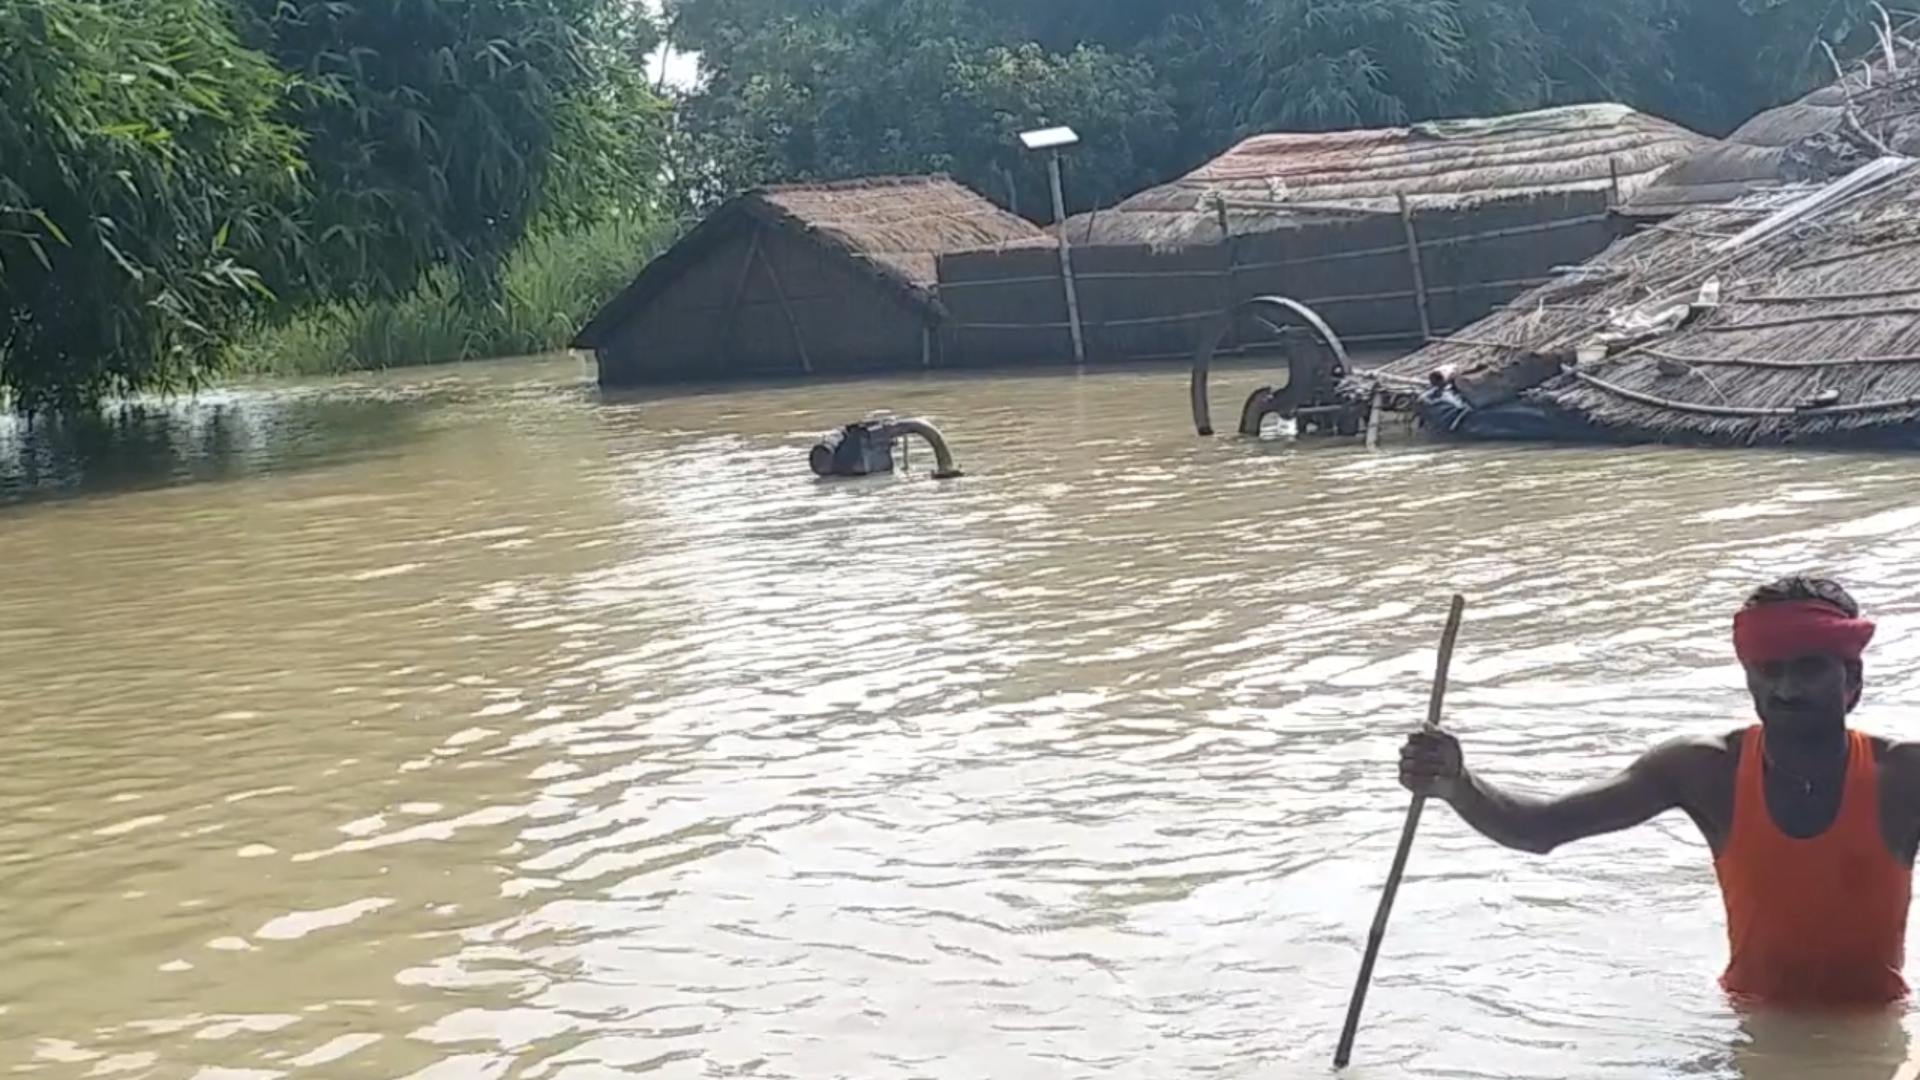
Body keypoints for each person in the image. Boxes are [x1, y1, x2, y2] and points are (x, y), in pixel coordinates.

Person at [1400, 575, 1920, 1009]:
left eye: (1807, 668)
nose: (1785, 690)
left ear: (1852, 678)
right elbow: (1540, 829)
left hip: (1876, 1027)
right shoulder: (1703, 769)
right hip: (1748, 1022)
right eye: (1769, 670)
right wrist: (1456, 783)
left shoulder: (1904, 776)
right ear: (1748, 678)